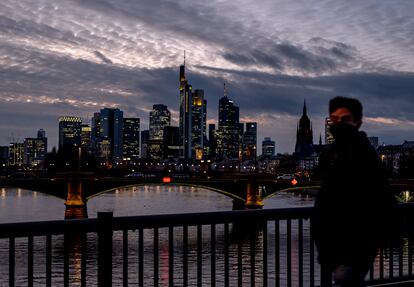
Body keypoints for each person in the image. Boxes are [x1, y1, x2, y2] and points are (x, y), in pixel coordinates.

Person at [311, 96, 397, 287]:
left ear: (358, 122)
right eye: (333, 119)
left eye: (345, 119)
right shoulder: (332, 153)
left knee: (344, 279)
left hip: (355, 244)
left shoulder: (365, 154)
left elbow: (382, 198)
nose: (337, 124)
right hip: (332, 244)